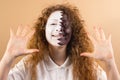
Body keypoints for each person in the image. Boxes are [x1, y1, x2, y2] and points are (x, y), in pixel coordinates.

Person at [0, 4, 120, 80]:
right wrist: (7, 58)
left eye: (65, 25)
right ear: (43, 30)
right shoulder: (29, 64)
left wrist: (110, 63)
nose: (59, 28)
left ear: (73, 32)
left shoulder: (86, 65)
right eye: (53, 24)